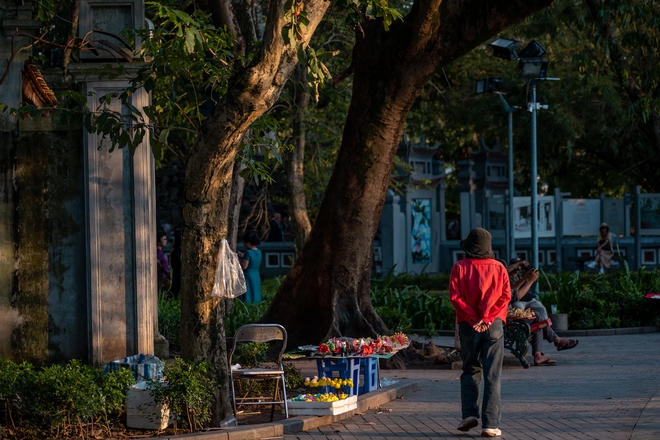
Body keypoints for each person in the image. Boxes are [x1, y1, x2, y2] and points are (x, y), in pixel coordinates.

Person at [449, 228, 510, 438]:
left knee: (470, 369)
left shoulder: (459, 267)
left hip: (468, 325)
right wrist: (487, 318)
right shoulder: (499, 268)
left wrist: (473, 319)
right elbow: (505, 296)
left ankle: (469, 414)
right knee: (493, 374)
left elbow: (455, 298)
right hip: (493, 326)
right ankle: (490, 425)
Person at [506, 258, 579, 365]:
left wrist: (527, 277)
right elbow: (513, 295)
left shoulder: (519, 275)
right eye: (516, 265)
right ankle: (556, 340)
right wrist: (528, 280)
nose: (518, 268)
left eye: (519, 266)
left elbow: (513, 292)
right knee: (538, 319)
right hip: (507, 314)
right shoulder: (504, 277)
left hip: (523, 303)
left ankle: (539, 355)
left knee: (539, 319)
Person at [238, 231, 262, 303]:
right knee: (255, 292)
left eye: (244, 243)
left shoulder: (248, 252)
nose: (244, 245)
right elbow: (253, 260)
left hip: (248, 276)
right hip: (256, 275)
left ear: (248, 243)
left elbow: (244, 266)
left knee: (248, 294)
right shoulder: (259, 252)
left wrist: (239, 260)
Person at [169, 230, 182, 296]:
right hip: (179, 272)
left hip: (175, 272)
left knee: (174, 287)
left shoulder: (174, 251)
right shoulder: (180, 251)